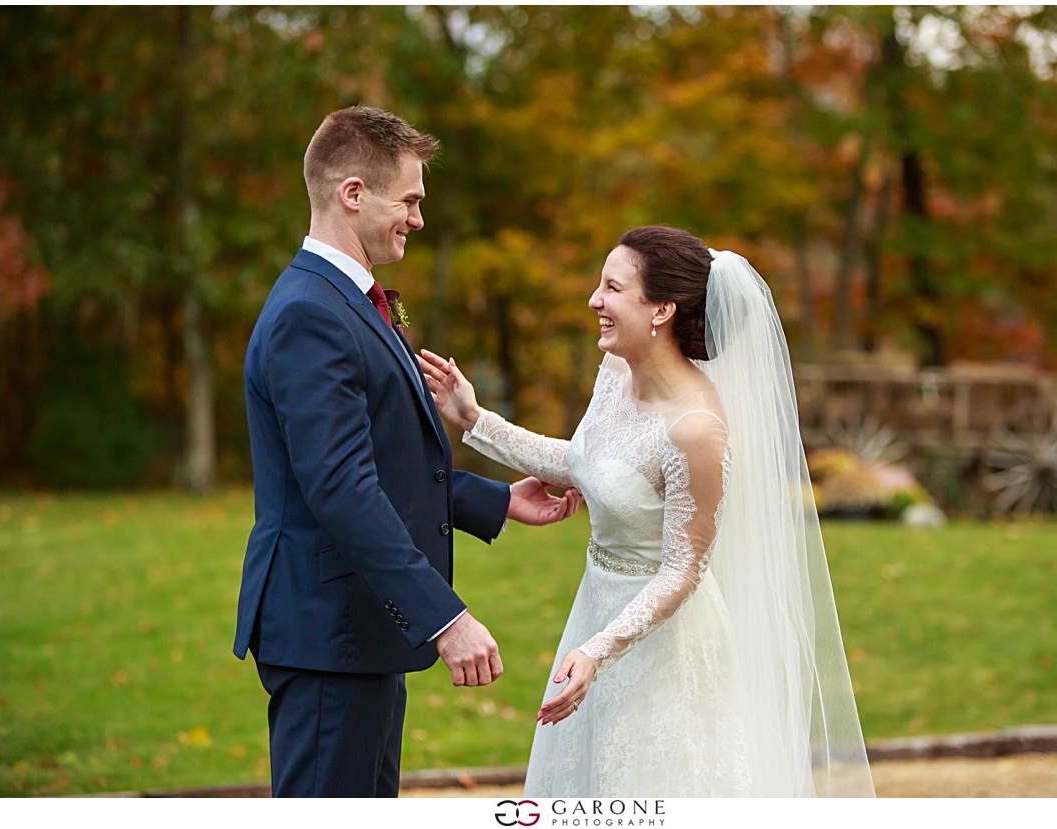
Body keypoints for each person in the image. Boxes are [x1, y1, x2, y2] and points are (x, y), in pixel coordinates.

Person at [418, 225, 875, 796]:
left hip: (663, 646)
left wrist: (597, 651)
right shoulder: (616, 373)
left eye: (612, 288)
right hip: (594, 611)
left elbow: (684, 569)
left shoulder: (696, 429)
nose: (594, 301)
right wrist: (476, 420)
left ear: (661, 308)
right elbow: (587, 462)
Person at [232, 106, 582, 798]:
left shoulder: (348, 300)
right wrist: (445, 617)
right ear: (353, 192)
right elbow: (340, 487)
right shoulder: (312, 312)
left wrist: (497, 500)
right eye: (411, 199)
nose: (418, 218)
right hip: (328, 633)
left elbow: (383, 461)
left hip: (356, 631)